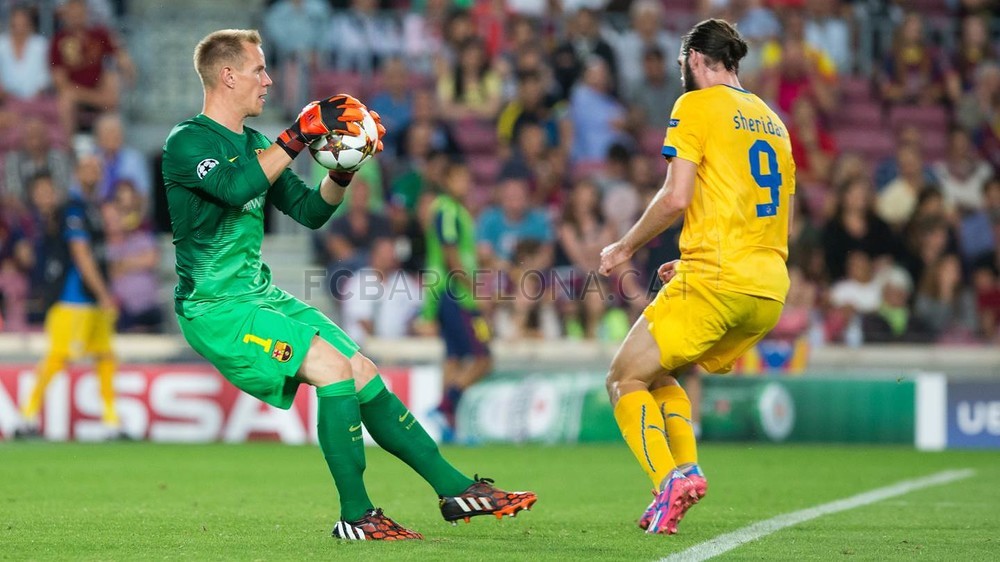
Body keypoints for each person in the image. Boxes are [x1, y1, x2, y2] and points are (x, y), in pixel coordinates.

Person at [161, 29, 535, 542]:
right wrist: (296, 134)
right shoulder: (187, 141)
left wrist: (345, 167)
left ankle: (453, 489)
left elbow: (311, 212)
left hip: (258, 295)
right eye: (259, 70)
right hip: (215, 307)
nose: (268, 80)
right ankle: (356, 515)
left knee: (360, 371)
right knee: (333, 369)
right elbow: (234, 187)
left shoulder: (252, 144)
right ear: (227, 76)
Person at [597, 19, 795, 535]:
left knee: (622, 378)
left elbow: (676, 198)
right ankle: (686, 470)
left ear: (695, 61)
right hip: (767, 286)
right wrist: (692, 258)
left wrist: (624, 246)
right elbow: (759, 213)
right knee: (659, 371)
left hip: (719, 278)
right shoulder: (772, 120)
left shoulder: (695, 105)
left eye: (685, 64)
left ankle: (668, 481)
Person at [16, 156, 122, 439]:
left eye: (97, 167)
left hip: (92, 297)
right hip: (72, 297)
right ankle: (25, 417)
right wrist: (104, 293)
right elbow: (81, 254)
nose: (93, 172)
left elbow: (99, 255)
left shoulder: (92, 208)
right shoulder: (73, 209)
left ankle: (112, 421)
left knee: (105, 355)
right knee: (58, 357)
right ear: (76, 173)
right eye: (87, 168)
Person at [421, 160, 493, 434]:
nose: (465, 185)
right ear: (447, 181)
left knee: (454, 358)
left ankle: (447, 425)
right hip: (455, 294)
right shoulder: (448, 210)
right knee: (483, 358)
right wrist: (476, 290)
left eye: (467, 180)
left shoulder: (455, 210)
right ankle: (444, 407)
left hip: (446, 293)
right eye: (460, 179)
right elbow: (451, 254)